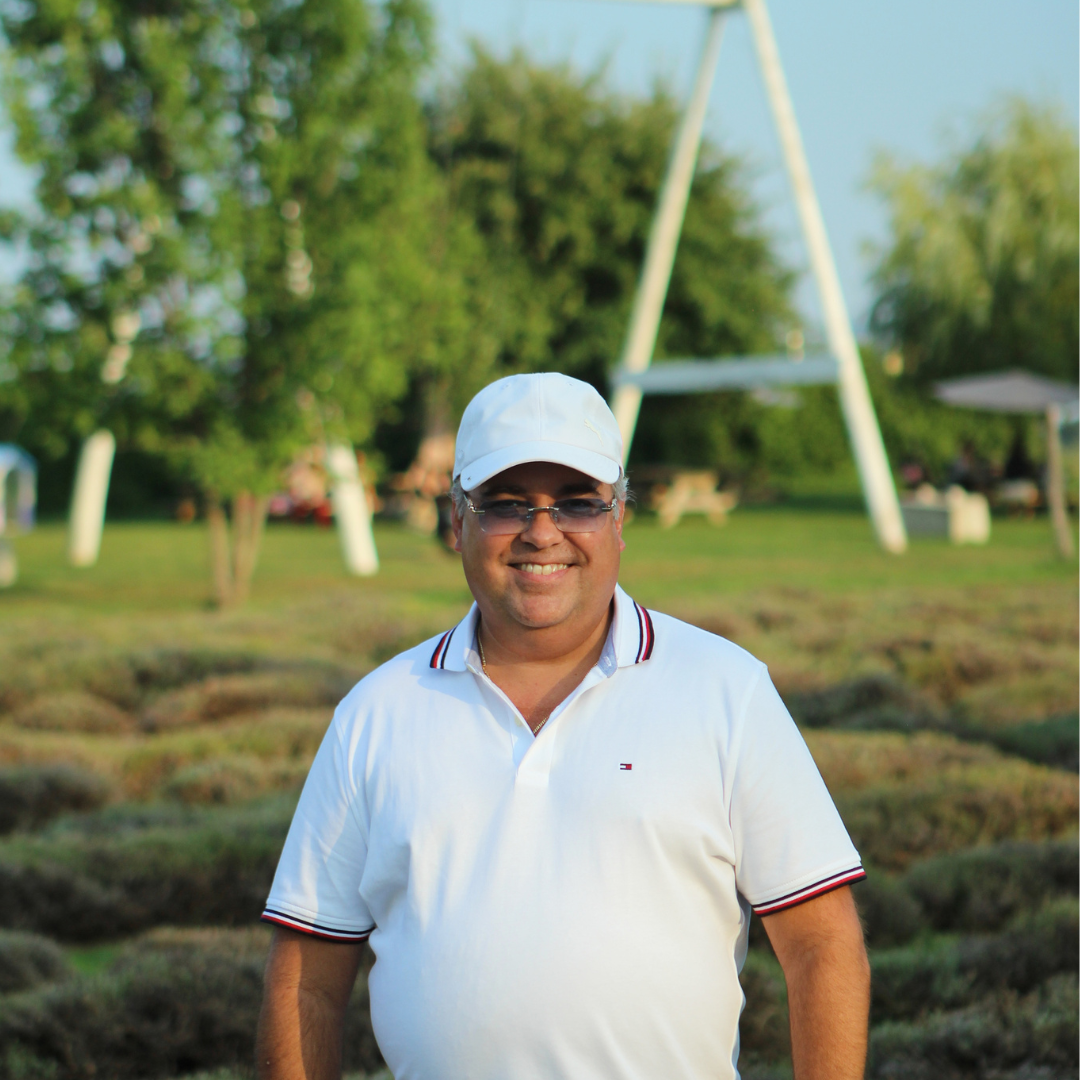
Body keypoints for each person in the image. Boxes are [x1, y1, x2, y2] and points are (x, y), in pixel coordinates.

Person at [256, 373, 871, 1080]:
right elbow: (305, 975)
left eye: (577, 502)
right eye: (506, 504)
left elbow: (823, 946)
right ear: (456, 520)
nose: (541, 532)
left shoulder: (726, 691)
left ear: (619, 519)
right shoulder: (377, 712)